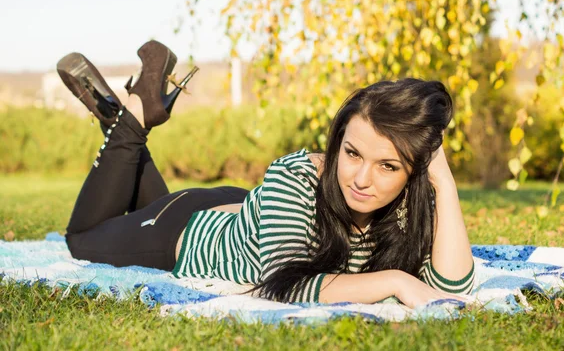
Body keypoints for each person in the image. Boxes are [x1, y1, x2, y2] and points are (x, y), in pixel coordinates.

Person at [58, 40, 474, 308]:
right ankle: (132, 115)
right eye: (351, 153)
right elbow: (286, 286)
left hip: (245, 213)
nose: (362, 179)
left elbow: (450, 292)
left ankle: (125, 122)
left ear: (416, 168)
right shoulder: (296, 179)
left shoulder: (412, 198)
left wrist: (445, 182)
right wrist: (397, 281)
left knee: (127, 187)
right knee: (82, 238)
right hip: (182, 232)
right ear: (338, 141)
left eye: (387, 166)